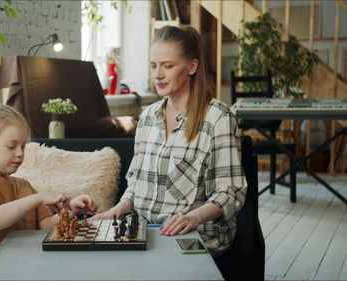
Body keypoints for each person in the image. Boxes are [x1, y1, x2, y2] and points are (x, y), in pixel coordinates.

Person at [92, 25, 247, 258]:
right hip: (144, 231)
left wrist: (194, 217)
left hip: (195, 234)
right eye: (153, 66)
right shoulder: (147, 117)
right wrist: (116, 211)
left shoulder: (218, 118)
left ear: (192, 67)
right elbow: (135, 184)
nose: (158, 75)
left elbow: (230, 192)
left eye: (168, 66)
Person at [0, 104, 98, 281]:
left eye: (23, 147)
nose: (20, 153)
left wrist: (71, 210)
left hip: (20, 272)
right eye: (11, 147)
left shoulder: (24, 185)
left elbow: (46, 225)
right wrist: (38, 197)